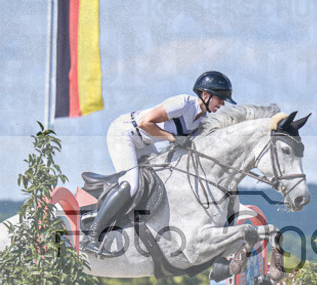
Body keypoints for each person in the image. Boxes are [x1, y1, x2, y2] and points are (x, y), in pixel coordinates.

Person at [81, 71, 236, 257]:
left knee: (159, 181)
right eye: (220, 98)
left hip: (145, 143)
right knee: (132, 184)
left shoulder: (202, 121)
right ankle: (91, 236)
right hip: (125, 134)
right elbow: (144, 122)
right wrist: (172, 138)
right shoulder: (183, 103)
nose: (222, 104)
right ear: (205, 95)